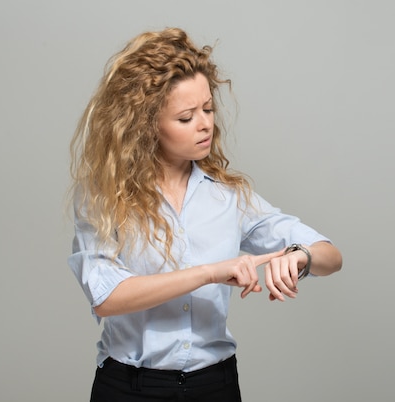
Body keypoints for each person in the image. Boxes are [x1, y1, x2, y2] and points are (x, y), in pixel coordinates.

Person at [68, 27, 342, 402]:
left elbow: (331, 256)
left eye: (208, 109)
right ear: (146, 125)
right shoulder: (105, 197)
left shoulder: (229, 196)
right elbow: (107, 296)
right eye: (186, 117)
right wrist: (210, 272)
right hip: (130, 389)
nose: (205, 124)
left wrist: (301, 256)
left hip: (215, 388)